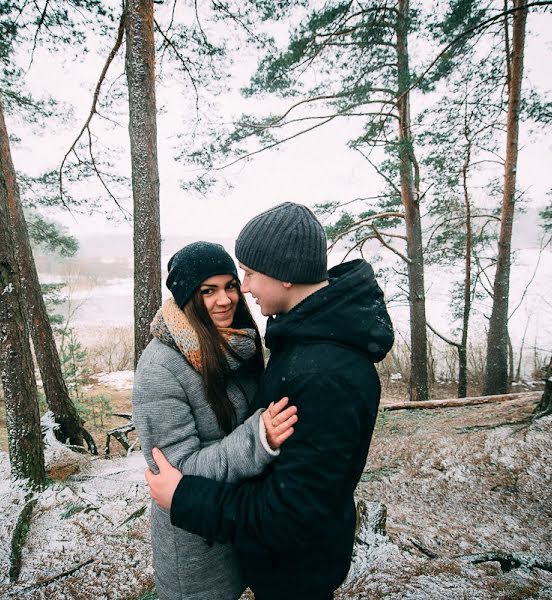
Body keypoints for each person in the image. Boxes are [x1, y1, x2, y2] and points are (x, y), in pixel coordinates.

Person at [145, 202, 395, 600]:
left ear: (284, 276)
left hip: (295, 567)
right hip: (276, 558)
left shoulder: (323, 371)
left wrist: (188, 499)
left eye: (246, 275)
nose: (241, 290)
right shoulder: (299, 335)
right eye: (211, 288)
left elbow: (291, 513)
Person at [132, 241, 298, 600]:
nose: (225, 300)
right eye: (208, 291)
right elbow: (177, 473)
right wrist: (258, 438)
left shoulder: (237, 345)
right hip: (196, 544)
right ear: (188, 296)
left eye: (229, 286)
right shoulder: (161, 367)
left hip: (238, 520)